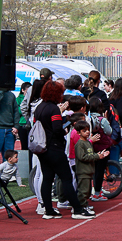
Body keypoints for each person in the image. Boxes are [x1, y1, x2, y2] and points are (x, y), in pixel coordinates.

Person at [33, 80, 95, 220]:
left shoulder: (39, 107)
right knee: (67, 178)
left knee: (47, 178)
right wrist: (64, 130)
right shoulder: (53, 109)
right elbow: (57, 128)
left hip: (42, 148)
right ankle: (77, 210)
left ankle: (48, 210)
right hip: (54, 147)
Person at [74, 120, 108, 215]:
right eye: (84, 131)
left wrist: (99, 155)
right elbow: (82, 157)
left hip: (88, 171)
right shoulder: (80, 144)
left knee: (88, 191)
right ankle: (81, 207)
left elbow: (90, 155)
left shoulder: (88, 143)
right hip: (83, 171)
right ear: (79, 133)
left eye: (88, 130)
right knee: (83, 191)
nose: (87, 132)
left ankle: (84, 205)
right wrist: (97, 156)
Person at [0, 86, 19, 161]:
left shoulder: (11, 95)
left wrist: (16, 126)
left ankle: (7, 169)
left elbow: (16, 111)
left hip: (9, 129)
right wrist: (0, 90)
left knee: (10, 158)